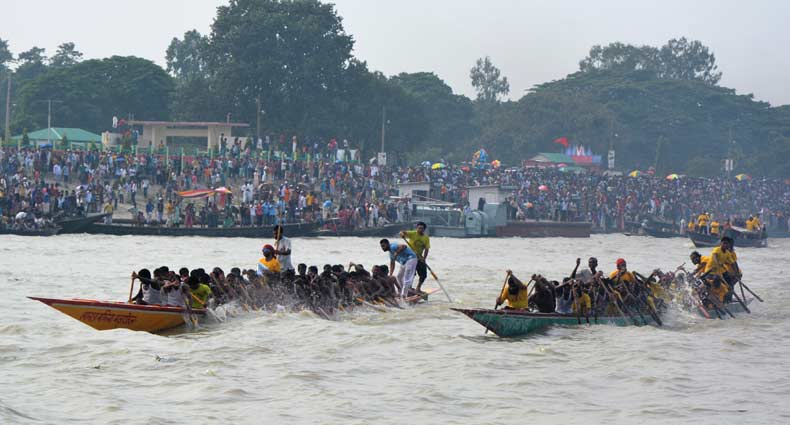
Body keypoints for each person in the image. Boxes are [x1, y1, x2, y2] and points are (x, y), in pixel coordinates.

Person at [400, 221, 431, 292]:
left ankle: (418, 288)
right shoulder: (413, 233)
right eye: (419, 228)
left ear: (424, 229)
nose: (420, 230)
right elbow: (402, 232)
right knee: (411, 273)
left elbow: (426, 249)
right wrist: (402, 234)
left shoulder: (426, 238)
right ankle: (409, 288)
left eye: (422, 228)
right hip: (410, 257)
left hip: (419, 257)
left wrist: (424, 258)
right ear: (416, 228)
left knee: (423, 275)